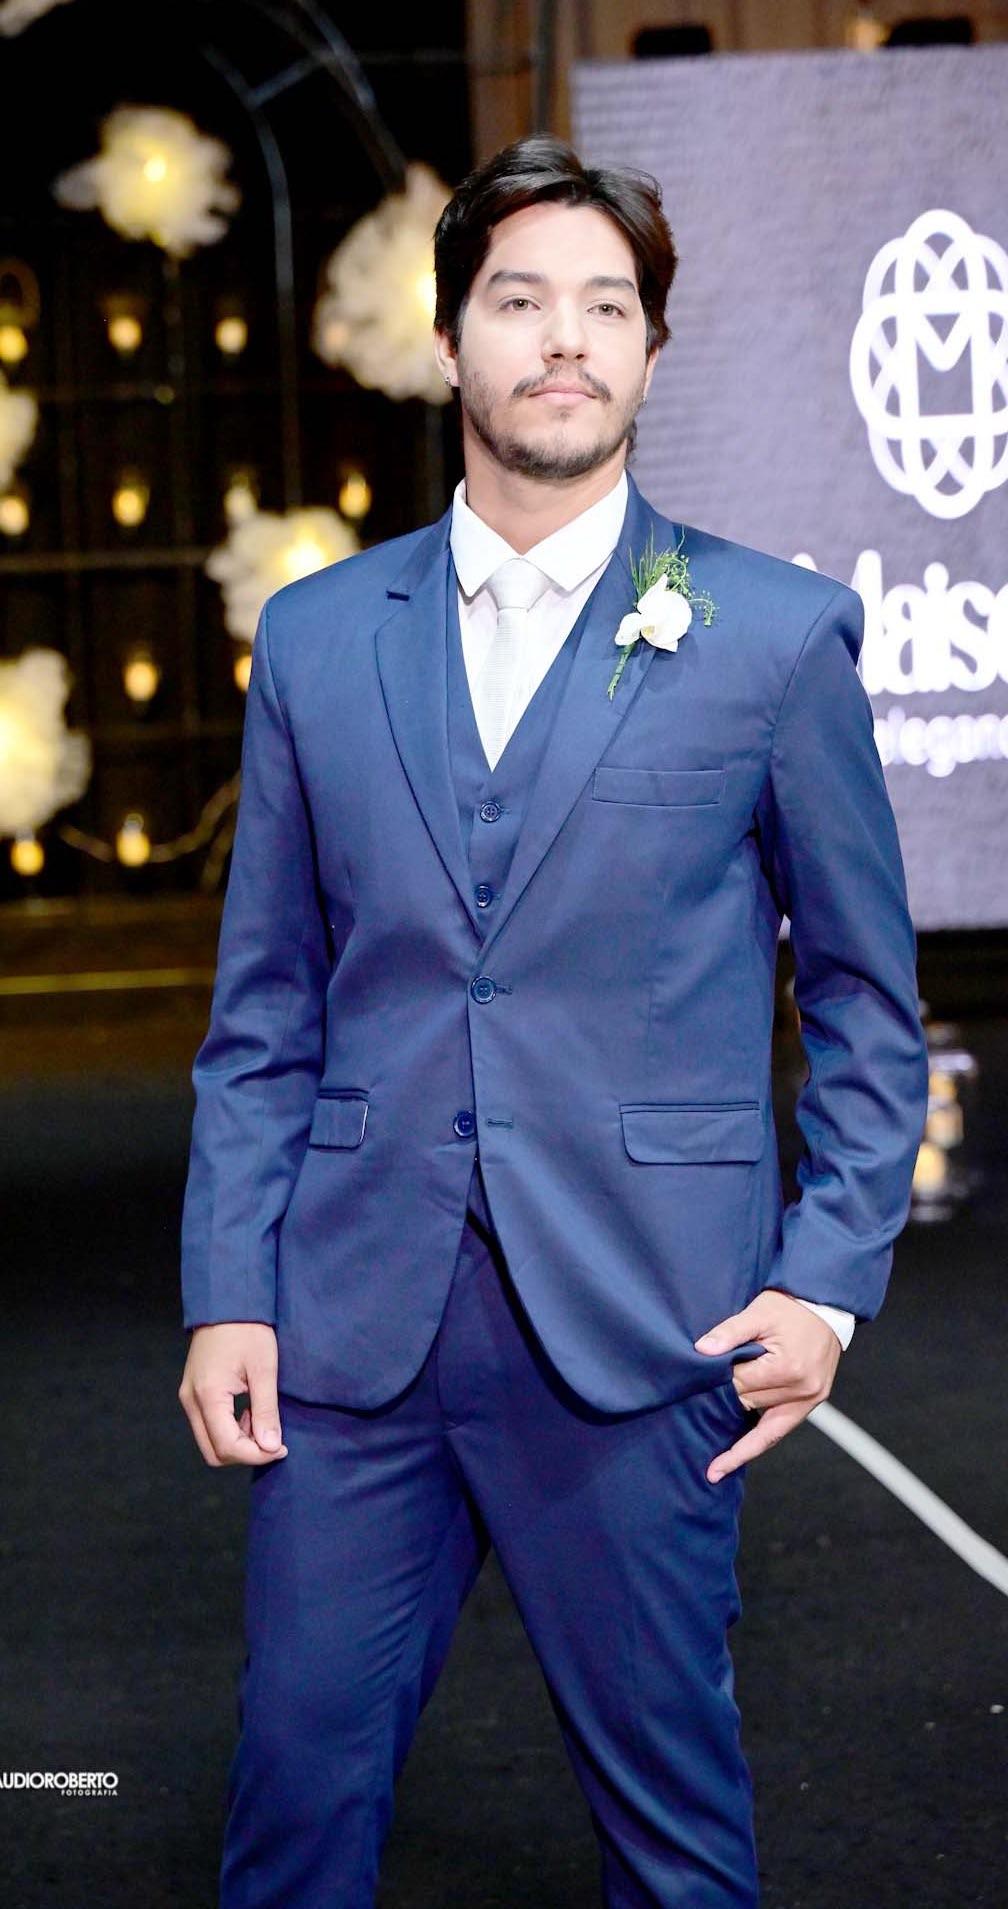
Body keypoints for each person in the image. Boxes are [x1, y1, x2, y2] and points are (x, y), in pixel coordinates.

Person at [177, 134, 929, 1907]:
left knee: (675, 1834)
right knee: (291, 1798)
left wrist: (827, 1278)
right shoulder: (316, 639)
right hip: (351, 1326)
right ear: (450, 340)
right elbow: (264, 1007)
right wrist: (228, 1283)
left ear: (654, 349)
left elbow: (864, 999)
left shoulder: (772, 635)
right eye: (521, 301)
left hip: (648, 1324)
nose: (565, 338)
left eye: (607, 305)